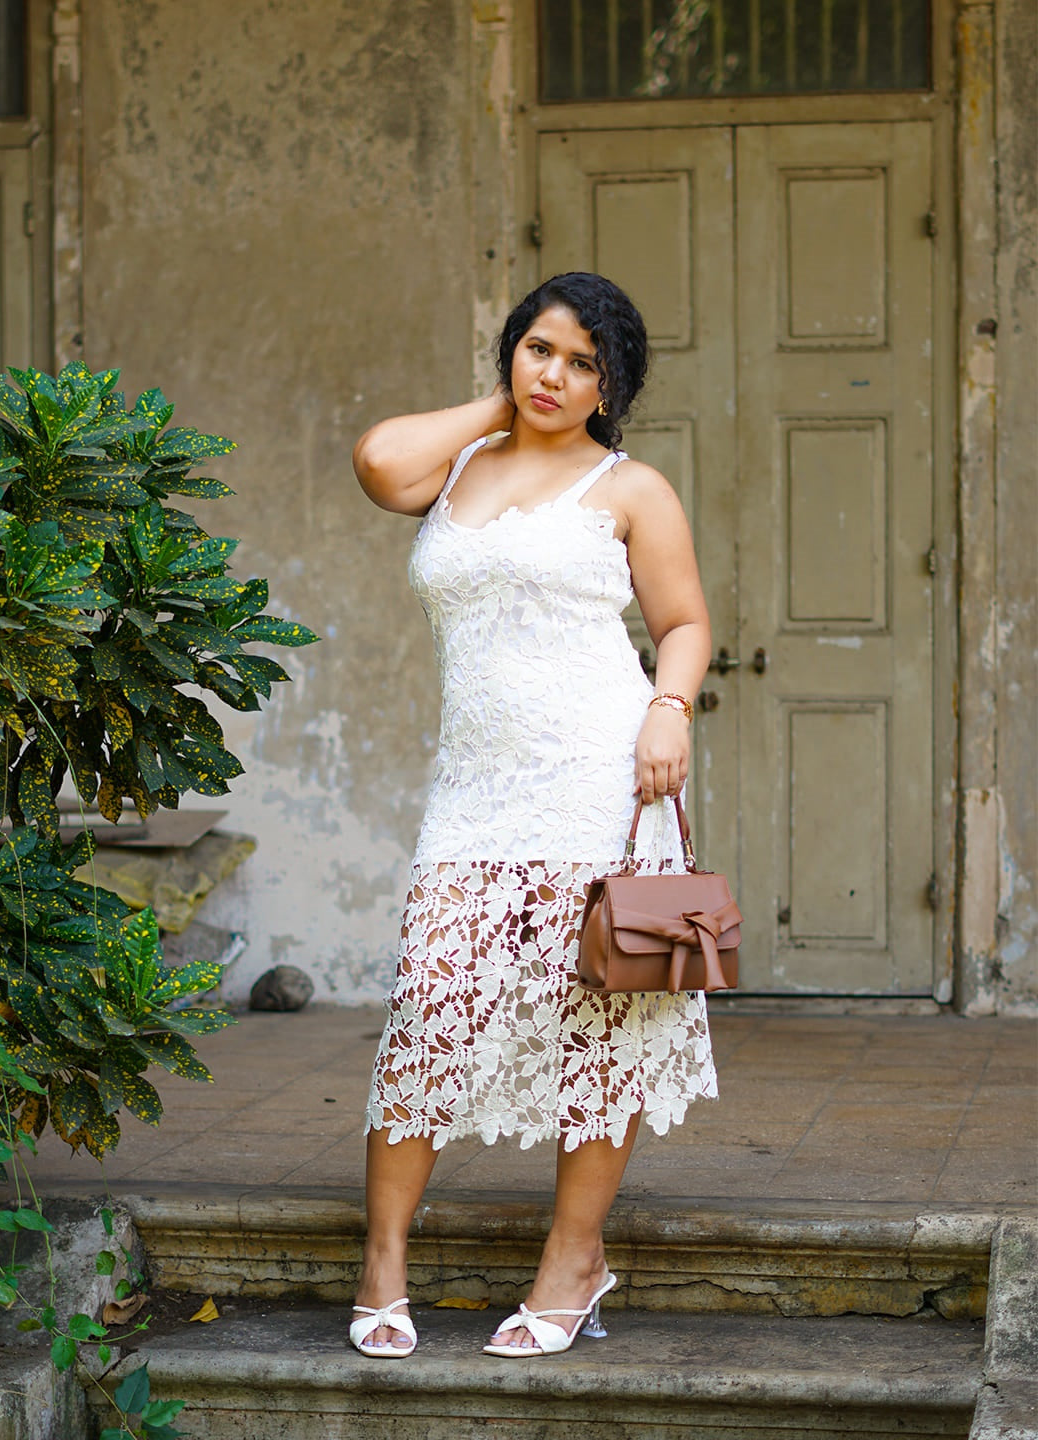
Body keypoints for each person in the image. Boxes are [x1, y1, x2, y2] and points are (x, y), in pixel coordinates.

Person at [350, 272, 715, 1360]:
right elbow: (377, 463)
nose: (557, 377)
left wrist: (669, 705)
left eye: (584, 364)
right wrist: (505, 408)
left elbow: (686, 619)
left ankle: (574, 1261)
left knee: (601, 1028)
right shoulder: (455, 463)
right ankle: (382, 1265)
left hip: (605, 781)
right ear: (511, 352)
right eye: (540, 351)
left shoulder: (630, 486)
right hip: (474, 792)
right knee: (431, 1007)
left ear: (616, 385)